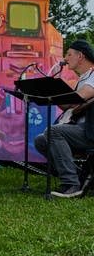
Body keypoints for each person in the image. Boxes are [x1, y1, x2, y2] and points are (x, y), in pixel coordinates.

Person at [34, 39, 94, 198]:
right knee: (41, 140)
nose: (65, 58)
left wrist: (57, 93)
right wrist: (50, 92)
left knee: (53, 132)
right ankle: (78, 177)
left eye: (69, 54)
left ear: (80, 56)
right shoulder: (83, 78)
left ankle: (71, 185)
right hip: (79, 128)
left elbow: (79, 99)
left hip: (89, 130)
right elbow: (69, 106)